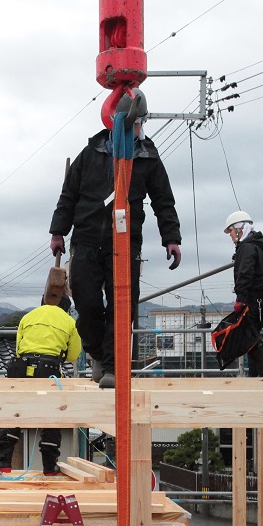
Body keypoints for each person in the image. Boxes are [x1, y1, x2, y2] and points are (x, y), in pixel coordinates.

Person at [49, 88, 183, 389]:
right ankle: (97, 351)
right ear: (114, 122)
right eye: (131, 124)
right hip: (85, 238)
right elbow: (68, 195)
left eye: (138, 124)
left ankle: (111, 366)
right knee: (87, 302)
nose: (136, 130)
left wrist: (171, 237)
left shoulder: (148, 157)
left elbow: (164, 201)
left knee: (123, 305)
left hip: (125, 241)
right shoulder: (91, 153)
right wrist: (58, 230)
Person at [0, 295, 82, 476]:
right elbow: (72, 355)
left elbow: (18, 349)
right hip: (48, 371)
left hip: (20, 368)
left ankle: (3, 461)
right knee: (51, 418)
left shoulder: (28, 317)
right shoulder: (69, 321)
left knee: (14, 413)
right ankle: (49, 466)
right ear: (66, 307)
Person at [225, 211, 263, 377]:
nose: (231, 236)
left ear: (239, 229)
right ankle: (257, 377)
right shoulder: (259, 246)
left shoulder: (246, 248)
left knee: (250, 338)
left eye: (231, 231)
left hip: (253, 300)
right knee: (252, 337)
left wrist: (241, 299)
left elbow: (245, 274)